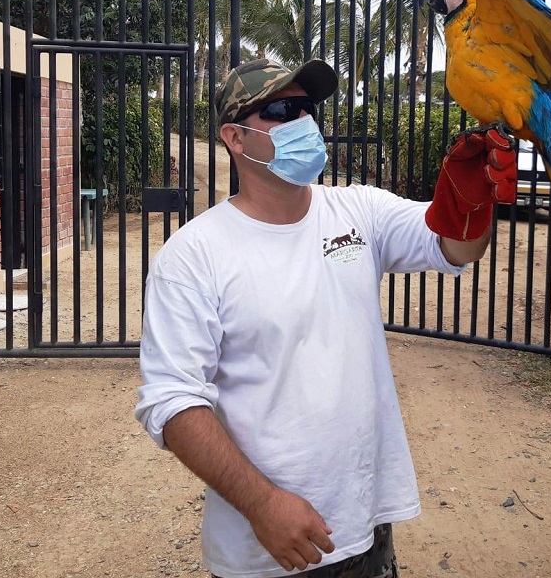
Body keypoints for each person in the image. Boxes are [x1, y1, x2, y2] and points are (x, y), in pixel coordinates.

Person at [135, 57, 516, 578]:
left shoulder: (359, 211)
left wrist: (473, 204)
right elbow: (173, 401)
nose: (303, 121)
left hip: (365, 527)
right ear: (236, 138)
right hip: (269, 547)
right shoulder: (193, 256)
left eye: (308, 108)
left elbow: (453, 246)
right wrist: (264, 504)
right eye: (282, 109)